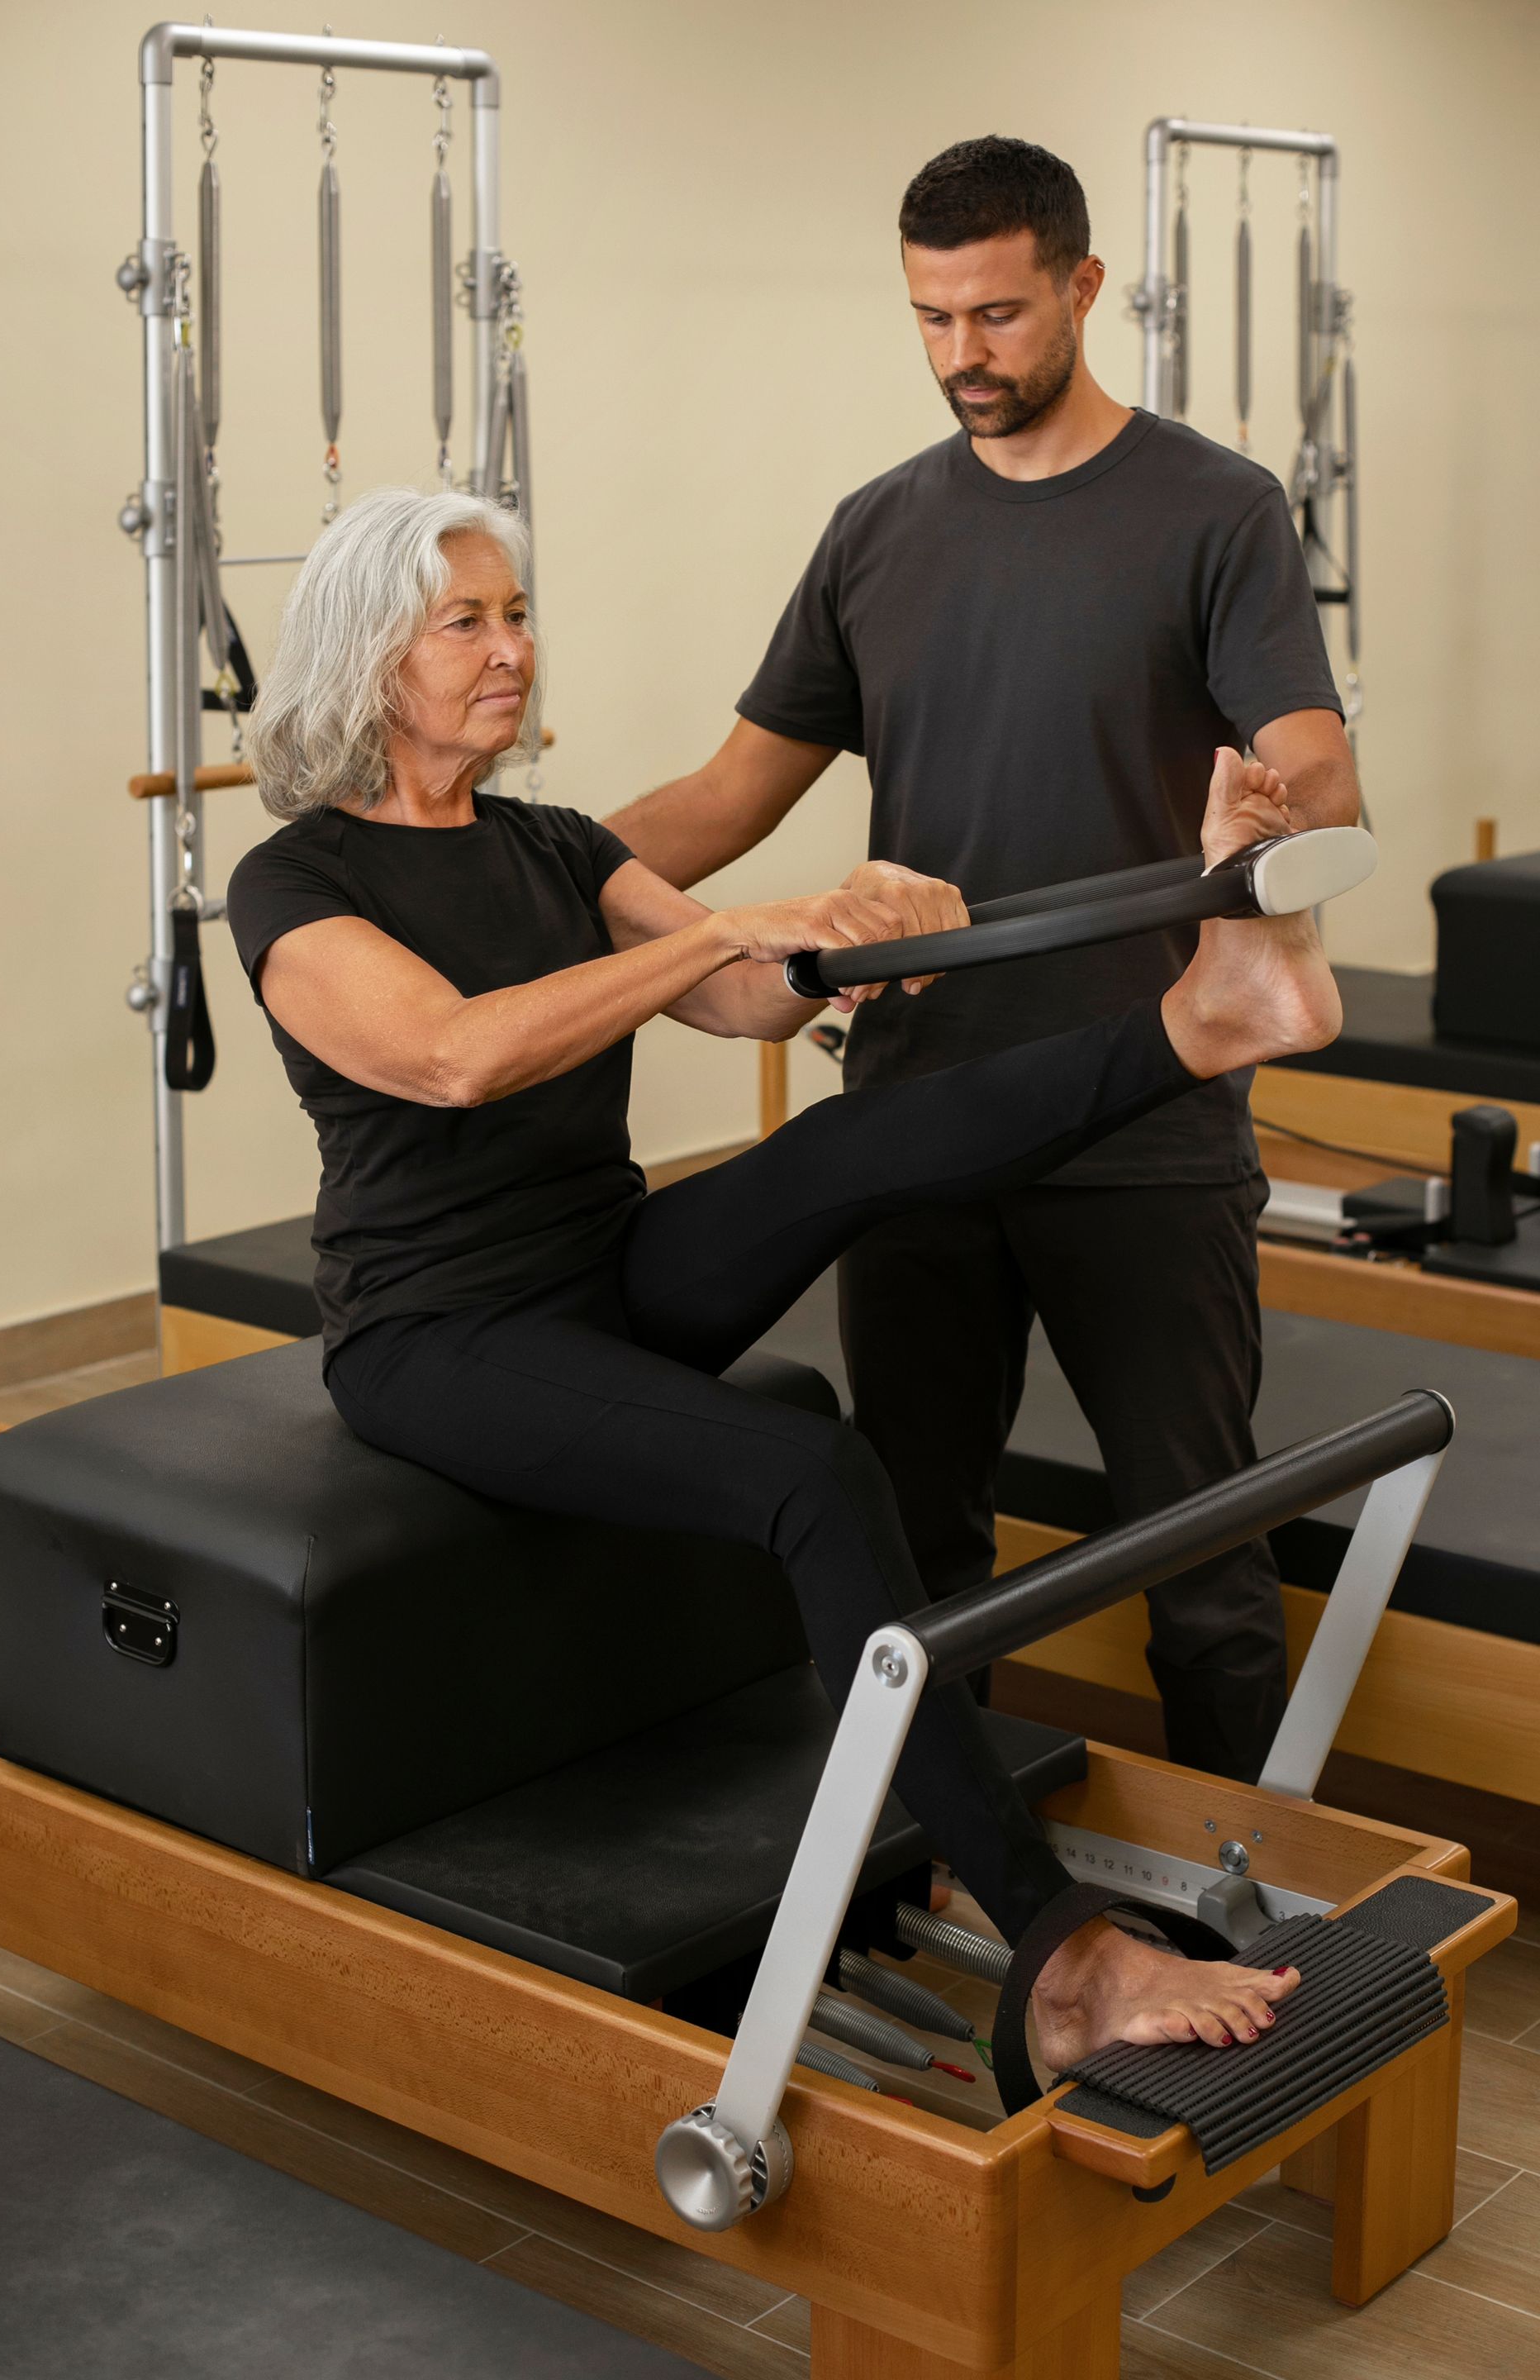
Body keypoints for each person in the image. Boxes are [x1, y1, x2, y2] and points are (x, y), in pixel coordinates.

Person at [226, 488, 1329, 2092]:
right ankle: (1060, 1954)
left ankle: (1205, 1020)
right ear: (365, 653)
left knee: (853, 1139)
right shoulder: (296, 883)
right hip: (437, 1335)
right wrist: (733, 928)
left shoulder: (555, 842)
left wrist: (853, 934)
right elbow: (455, 1058)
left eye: (517, 613)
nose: (511, 649)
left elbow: (743, 996)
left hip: (604, 1267)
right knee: (809, 1463)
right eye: (467, 621)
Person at [603, 137, 1362, 1784]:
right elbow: (734, 794)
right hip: (923, 1119)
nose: (965, 355)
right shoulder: (877, 532)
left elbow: (1322, 771)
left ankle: (1258, 1898)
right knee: (920, 1556)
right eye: (933, 319)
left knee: (1203, 1567)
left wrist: (1272, 816)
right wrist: (520, 876)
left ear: (1084, 288)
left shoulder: (1216, 510)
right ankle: (954, 1881)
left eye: (1000, 314)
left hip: (1146, 1125)